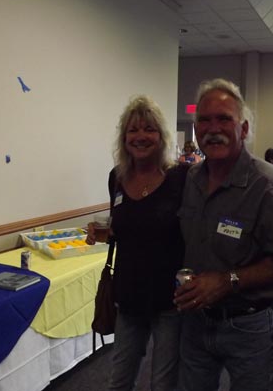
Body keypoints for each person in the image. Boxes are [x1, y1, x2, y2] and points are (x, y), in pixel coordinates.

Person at [174, 78, 273, 391]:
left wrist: (227, 280)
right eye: (204, 120)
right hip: (195, 321)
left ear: (243, 129)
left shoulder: (269, 185)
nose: (213, 129)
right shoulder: (191, 179)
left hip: (248, 325)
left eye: (224, 119)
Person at [87, 95, 188, 391]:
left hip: (170, 299)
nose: (140, 136)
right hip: (129, 296)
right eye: (133, 130)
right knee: (119, 381)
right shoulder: (117, 178)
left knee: (163, 383)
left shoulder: (181, 177)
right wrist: (102, 232)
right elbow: (123, 227)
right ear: (124, 137)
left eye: (149, 129)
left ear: (161, 136)